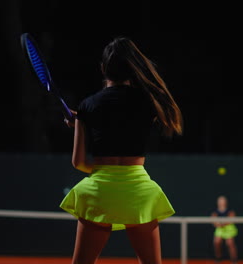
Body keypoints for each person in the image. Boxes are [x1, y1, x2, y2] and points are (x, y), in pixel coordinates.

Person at [59, 36, 183, 264]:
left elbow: (79, 163)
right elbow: (121, 116)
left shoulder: (88, 105)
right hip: (138, 193)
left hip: (99, 193)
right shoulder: (149, 102)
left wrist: (82, 123)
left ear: (103, 69)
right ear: (133, 68)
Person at [211, 195, 238, 264]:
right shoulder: (215, 212)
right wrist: (218, 224)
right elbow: (214, 221)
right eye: (220, 201)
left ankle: (234, 261)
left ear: (226, 202)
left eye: (223, 201)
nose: (221, 203)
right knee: (217, 242)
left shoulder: (230, 211)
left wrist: (222, 223)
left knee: (230, 243)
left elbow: (231, 219)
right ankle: (218, 259)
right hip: (220, 229)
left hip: (229, 229)